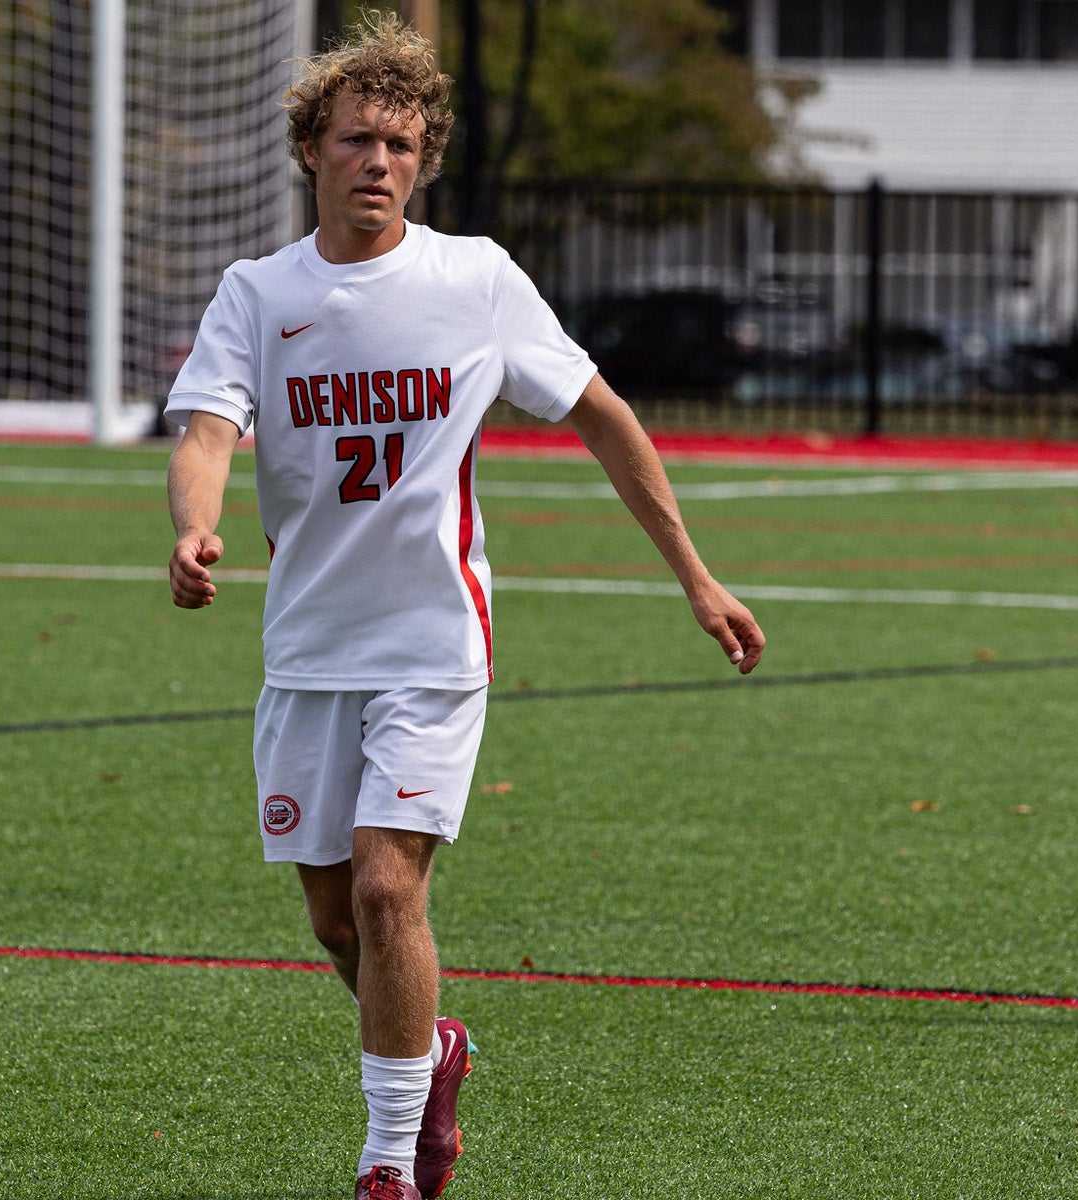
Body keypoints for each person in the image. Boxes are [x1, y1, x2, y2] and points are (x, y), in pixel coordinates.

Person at [163, 14, 765, 1199]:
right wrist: (192, 524)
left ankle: (388, 1161)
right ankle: (427, 1051)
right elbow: (205, 429)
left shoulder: (476, 279)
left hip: (436, 646)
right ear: (311, 153)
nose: (375, 161)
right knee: (342, 925)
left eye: (397, 142)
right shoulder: (257, 292)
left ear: (421, 159)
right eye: (353, 140)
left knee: (392, 890)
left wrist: (694, 573)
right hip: (308, 651)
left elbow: (602, 414)